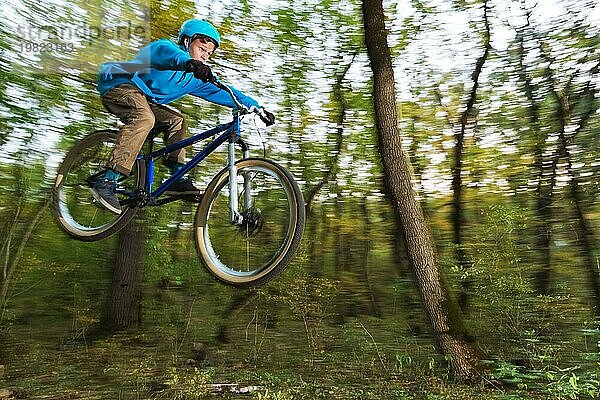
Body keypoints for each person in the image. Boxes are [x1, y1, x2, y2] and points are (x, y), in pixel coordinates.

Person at [92, 19, 275, 214]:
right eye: (201, 48)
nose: (204, 56)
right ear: (187, 42)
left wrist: (257, 107)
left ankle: (177, 177)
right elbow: (170, 56)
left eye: (208, 53)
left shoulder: (194, 77)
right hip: (120, 84)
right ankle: (106, 179)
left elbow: (224, 91)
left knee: (177, 121)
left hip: (145, 98)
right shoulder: (165, 48)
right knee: (145, 118)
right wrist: (189, 62)